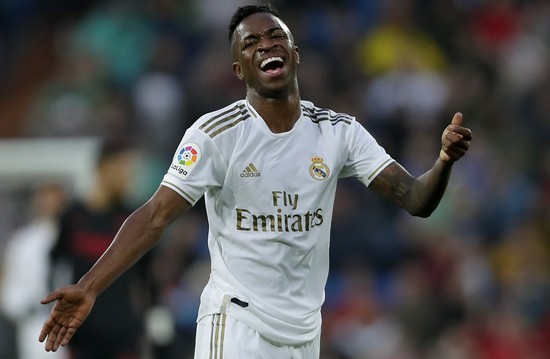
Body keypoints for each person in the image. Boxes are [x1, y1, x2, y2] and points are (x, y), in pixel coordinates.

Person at [38, 4, 472, 359]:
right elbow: (154, 216)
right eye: (252, 42)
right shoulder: (216, 134)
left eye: (275, 37)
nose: (266, 45)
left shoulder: (339, 131)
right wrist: (89, 287)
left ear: (294, 54)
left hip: (304, 332)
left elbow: (416, 199)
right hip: (236, 323)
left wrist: (444, 161)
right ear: (239, 69)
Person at [46, 139, 151, 359]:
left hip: (123, 333)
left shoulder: (133, 219)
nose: (128, 177)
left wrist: (150, 314)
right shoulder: (73, 217)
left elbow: (147, 275)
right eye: (123, 168)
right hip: (82, 334)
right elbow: (53, 262)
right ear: (103, 168)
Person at [0, 183, 68, 359]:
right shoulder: (23, 242)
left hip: (70, 325)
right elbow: (8, 292)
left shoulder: (74, 239)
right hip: (35, 326)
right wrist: (24, 305)